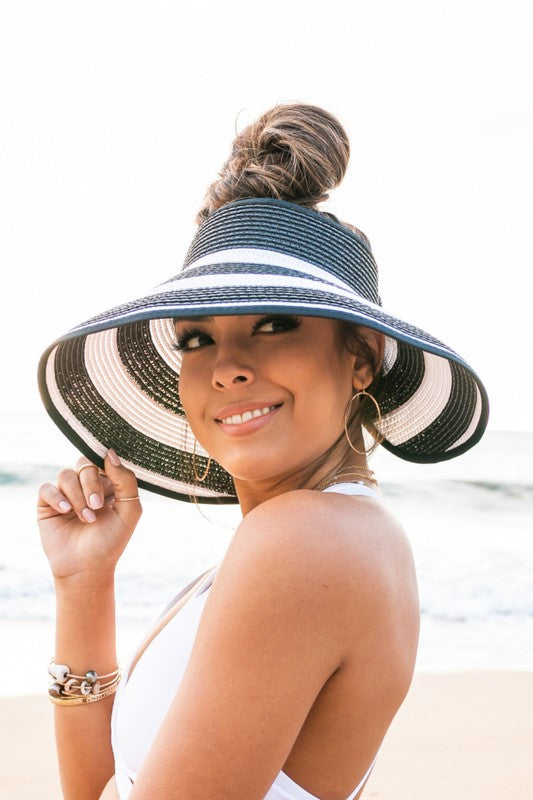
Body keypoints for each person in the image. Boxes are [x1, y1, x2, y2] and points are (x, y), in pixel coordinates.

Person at [36, 103, 489, 800]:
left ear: (360, 358)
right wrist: (83, 586)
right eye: (197, 338)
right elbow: (102, 788)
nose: (227, 368)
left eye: (274, 324)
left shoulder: (302, 539)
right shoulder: (322, 534)